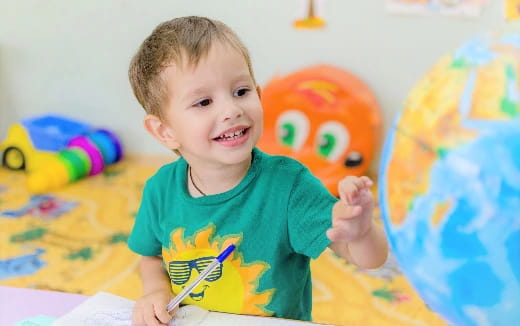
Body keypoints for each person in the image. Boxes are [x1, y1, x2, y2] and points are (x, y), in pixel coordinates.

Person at [127, 16, 388, 326]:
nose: (232, 110)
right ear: (164, 131)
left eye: (240, 92)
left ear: (259, 95)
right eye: (204, 101)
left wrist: (361, 233)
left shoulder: (289, 185)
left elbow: (371, 259)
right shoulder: (160, 190)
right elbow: (151, 256)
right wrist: (155, 291)